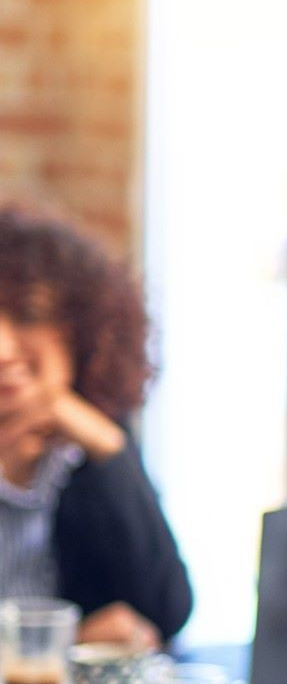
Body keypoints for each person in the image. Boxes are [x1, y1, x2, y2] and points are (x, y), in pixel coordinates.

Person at [0, 201, 193, 648]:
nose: (4, 347)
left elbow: (165, 612)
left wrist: (109, 448)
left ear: (82, 329)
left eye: (27, 316)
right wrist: (56, 644)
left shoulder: (90, 442)